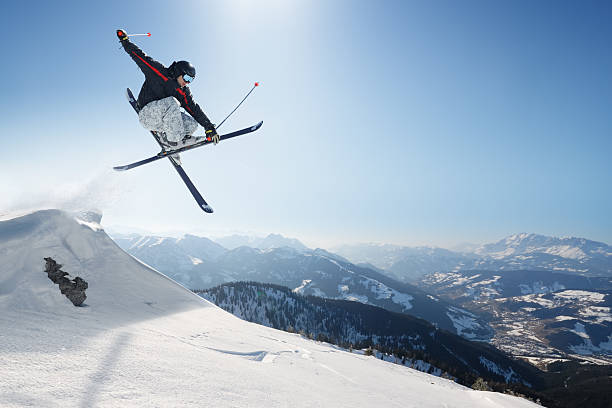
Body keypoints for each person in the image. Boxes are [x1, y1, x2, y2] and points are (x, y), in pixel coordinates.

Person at [116, 29, 219, 160]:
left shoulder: (183, 91)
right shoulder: (159, 72)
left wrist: (209, 127)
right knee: (172, 102)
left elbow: (194, 108)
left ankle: (169, 141)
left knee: (192, 124)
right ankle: (174, 142)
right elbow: (140, 56)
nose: (188, 83)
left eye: (191, 80)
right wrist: (125, 41)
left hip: (163, 122)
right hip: (147, 115)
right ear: (179, 72)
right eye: (187, 78)